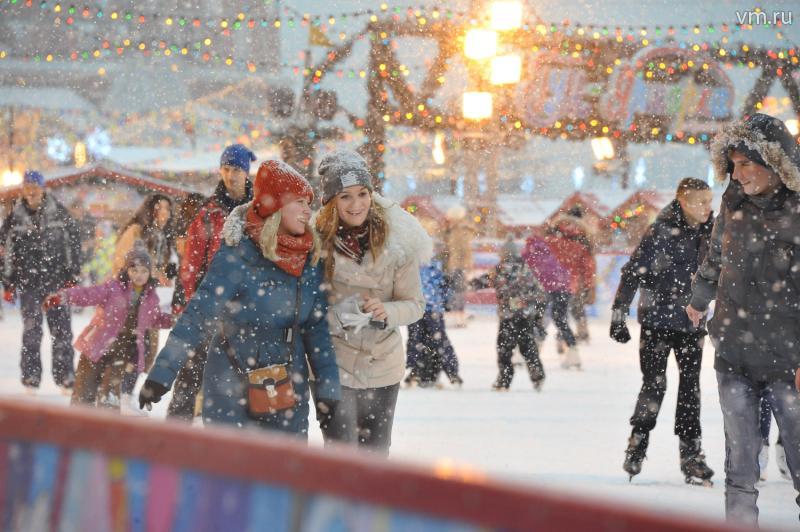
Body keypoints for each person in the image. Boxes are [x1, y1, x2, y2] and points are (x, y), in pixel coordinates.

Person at [140, 161, 340, 436]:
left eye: (309, 202)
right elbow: (198, 315)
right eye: (299, 202)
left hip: (286, 384)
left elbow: (317, 330)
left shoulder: (309, 258)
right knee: (230, 473)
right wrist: (162, 374)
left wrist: (328, 390)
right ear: (276, 205)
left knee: (282, 471)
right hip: (230, 383)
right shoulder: (237, 254)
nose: (308, 210)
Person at [686, 113, 800, 525]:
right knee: (740, 466)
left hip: (791, 359)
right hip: (734, 352)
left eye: (748, 163)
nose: (739, 173)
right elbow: (715, 257)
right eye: (733, 164)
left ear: (775, 164)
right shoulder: (732, 200)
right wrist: (699, 298)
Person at [313, 150, 431, 454]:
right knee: (342, 459)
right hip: (333, 364)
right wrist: (336, 316)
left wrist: (387, 310)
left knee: (375, 460)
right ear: (331, 202)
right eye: (345, 197)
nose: (356, 205)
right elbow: (301, 309)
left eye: (362, 194)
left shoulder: (397, 242)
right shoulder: (314, 244)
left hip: (383, 364)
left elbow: (415, 304)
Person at [610, 177, 715, 484]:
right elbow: (633, 271)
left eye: (710, 200)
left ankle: (691, 454)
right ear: (683, 202)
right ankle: (638, 442)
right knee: (654, 385)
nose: (708, 207)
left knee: (690, 388)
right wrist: (619, 312)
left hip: (692, 323)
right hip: (657, 321)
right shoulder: (661, 230)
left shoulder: (714, 230)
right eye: (701, 202)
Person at [167, 144, 255, 421]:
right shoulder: (208, 213)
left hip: (246, 308)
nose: (231, 175)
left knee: (240, 377)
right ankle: (175, 431)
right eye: (226, 169)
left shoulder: (258, 211)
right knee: (191, 371)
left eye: (237, 170)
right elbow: (191, 264)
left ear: (246, 172)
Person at [44, 246, 173, 410]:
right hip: (97, 345)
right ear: (127, 270)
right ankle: (77, 426)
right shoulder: (113, 288)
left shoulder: (151, 297)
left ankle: (106, 428)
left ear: (149, 273)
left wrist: (174, 319)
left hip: (122, 351)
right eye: (134, 270)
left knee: (110, 396)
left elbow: (154, 319)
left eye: (143, 271)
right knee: (84, 392)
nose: (139, 275)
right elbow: (88, 294)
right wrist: (64, 296)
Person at [0, 170, 81, 392]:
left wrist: (72, 275)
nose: (31, 191)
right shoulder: (15, 217)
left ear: (43, 188)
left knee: (62, 331)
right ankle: (31, 378)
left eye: (35, 186)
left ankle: (66, 377)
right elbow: (4, 251)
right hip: (28, 284)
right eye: (27, 186)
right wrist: (8, 283)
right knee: (31, 332)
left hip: (57, 282)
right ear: (23, 189)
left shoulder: (58, 213)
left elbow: (74, 243)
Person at [107, 193, 175, 410]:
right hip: (128, 302)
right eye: (159, 208)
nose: (163, 213)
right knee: (126, 350)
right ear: (150, 210)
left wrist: (164, 273)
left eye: (167, 208)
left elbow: (156, 266)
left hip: (148, 302)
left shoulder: (163, 236)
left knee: (144, 352)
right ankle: (115, 395)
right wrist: (151, 275)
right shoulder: (137, 231)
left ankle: (123, 395)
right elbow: (122, 262)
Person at [490, 237, 547, 391]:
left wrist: (471, 283)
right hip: (525, 315)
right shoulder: (525, 267)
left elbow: (490, 281)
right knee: (527, 346)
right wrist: (536, 312)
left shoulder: (501, 268)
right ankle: (538, 375)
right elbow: (539, 290)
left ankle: (504, 379)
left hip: (508, 316)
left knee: (504, 349)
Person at [522, 228, 582, 369]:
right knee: (561, 320)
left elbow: (525, 274)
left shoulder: (528, 254)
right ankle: (573, 354)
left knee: (538, 320)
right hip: (564, 287)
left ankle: (534, 353)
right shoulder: (550, 250)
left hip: (543, 289)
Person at [405, 247, 462, 388]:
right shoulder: (426, 267)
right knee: (428, 340)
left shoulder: (424, 267)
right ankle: (422, 370)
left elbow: (445, 285)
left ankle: (426, 370)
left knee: (423, 340)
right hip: (424, 308)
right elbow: (445, 286)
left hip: (424, 308)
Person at [545, 207, 596, 343]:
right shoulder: (583, 236)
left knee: (552, 311)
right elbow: (588, 265)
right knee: (575, 307)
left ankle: (547, 338)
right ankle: (580, 333)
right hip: (573, 280)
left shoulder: (553, 231)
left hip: (550, 279)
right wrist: (589, 285)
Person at [443, 206, 475, 328]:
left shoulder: (459, 230)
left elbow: (463, 249)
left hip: (459, 265)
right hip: (456, 265)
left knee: (458, 291)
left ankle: (458, 317)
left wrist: (465, 266)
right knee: (456, 290)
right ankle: (457, 316)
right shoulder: (454, 229)